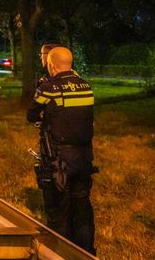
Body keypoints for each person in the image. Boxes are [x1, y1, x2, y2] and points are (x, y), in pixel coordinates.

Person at [27, 46, 96, 255]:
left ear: (52, 64)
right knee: (82, 208)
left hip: (58, 160)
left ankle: (60, 253)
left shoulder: (49, 87)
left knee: (58, 210)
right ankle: (85, 252)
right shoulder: (86, 86)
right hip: (84, 158)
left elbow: (31, 114)